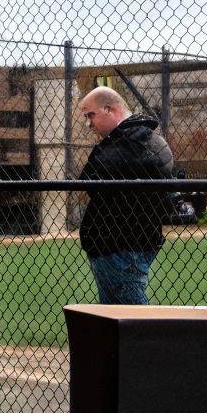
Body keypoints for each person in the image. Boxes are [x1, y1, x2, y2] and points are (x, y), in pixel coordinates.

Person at [77, 87, 174, 305]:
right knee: (118, 316)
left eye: (90, 115)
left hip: (119, 245)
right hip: (126, 242)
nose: (88, 124)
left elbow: (91, 177)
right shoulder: (146, 141)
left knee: (132, 317)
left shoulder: (131, 143)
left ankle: (149, 340)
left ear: (109, 110)